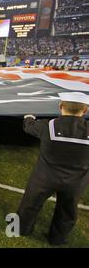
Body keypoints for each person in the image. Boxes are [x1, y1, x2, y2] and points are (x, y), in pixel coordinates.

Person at [18, 92, 89, 245]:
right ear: (85, 111)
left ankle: (20, 229)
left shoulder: (48, 125)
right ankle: (57, 239)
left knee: (30, 204)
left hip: (44, 178)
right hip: (76, 182)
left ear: (60, 107)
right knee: (67, 211)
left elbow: (29, 127)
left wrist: (29, 118)